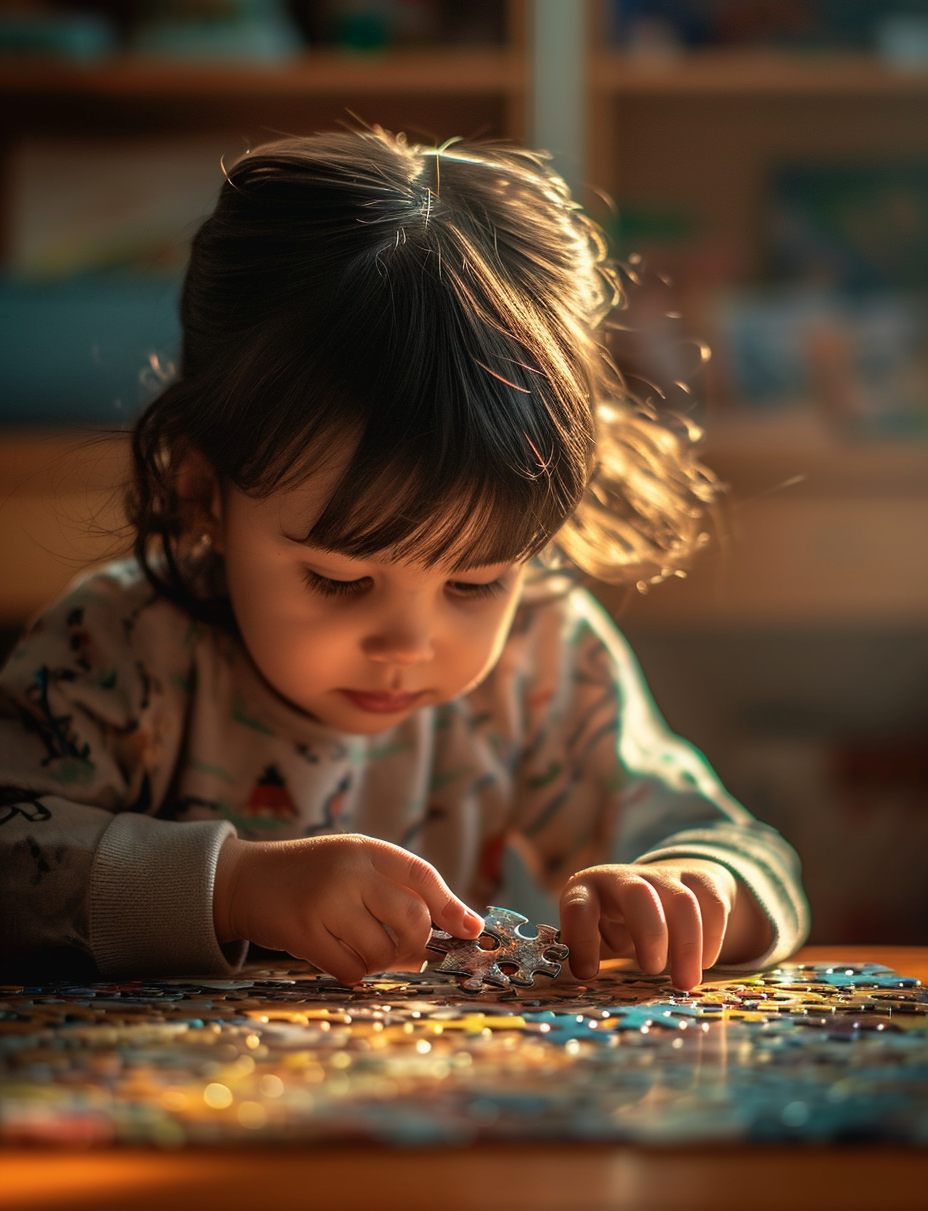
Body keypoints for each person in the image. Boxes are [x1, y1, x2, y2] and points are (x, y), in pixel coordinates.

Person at [0, 128, 808, 990]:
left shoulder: (544, 657)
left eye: (477, 581)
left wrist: (690, 883)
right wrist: (231, 886)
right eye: (339, 578)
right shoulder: (119, 648)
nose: (408, 643)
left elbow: (745, 852)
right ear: (207, 492)